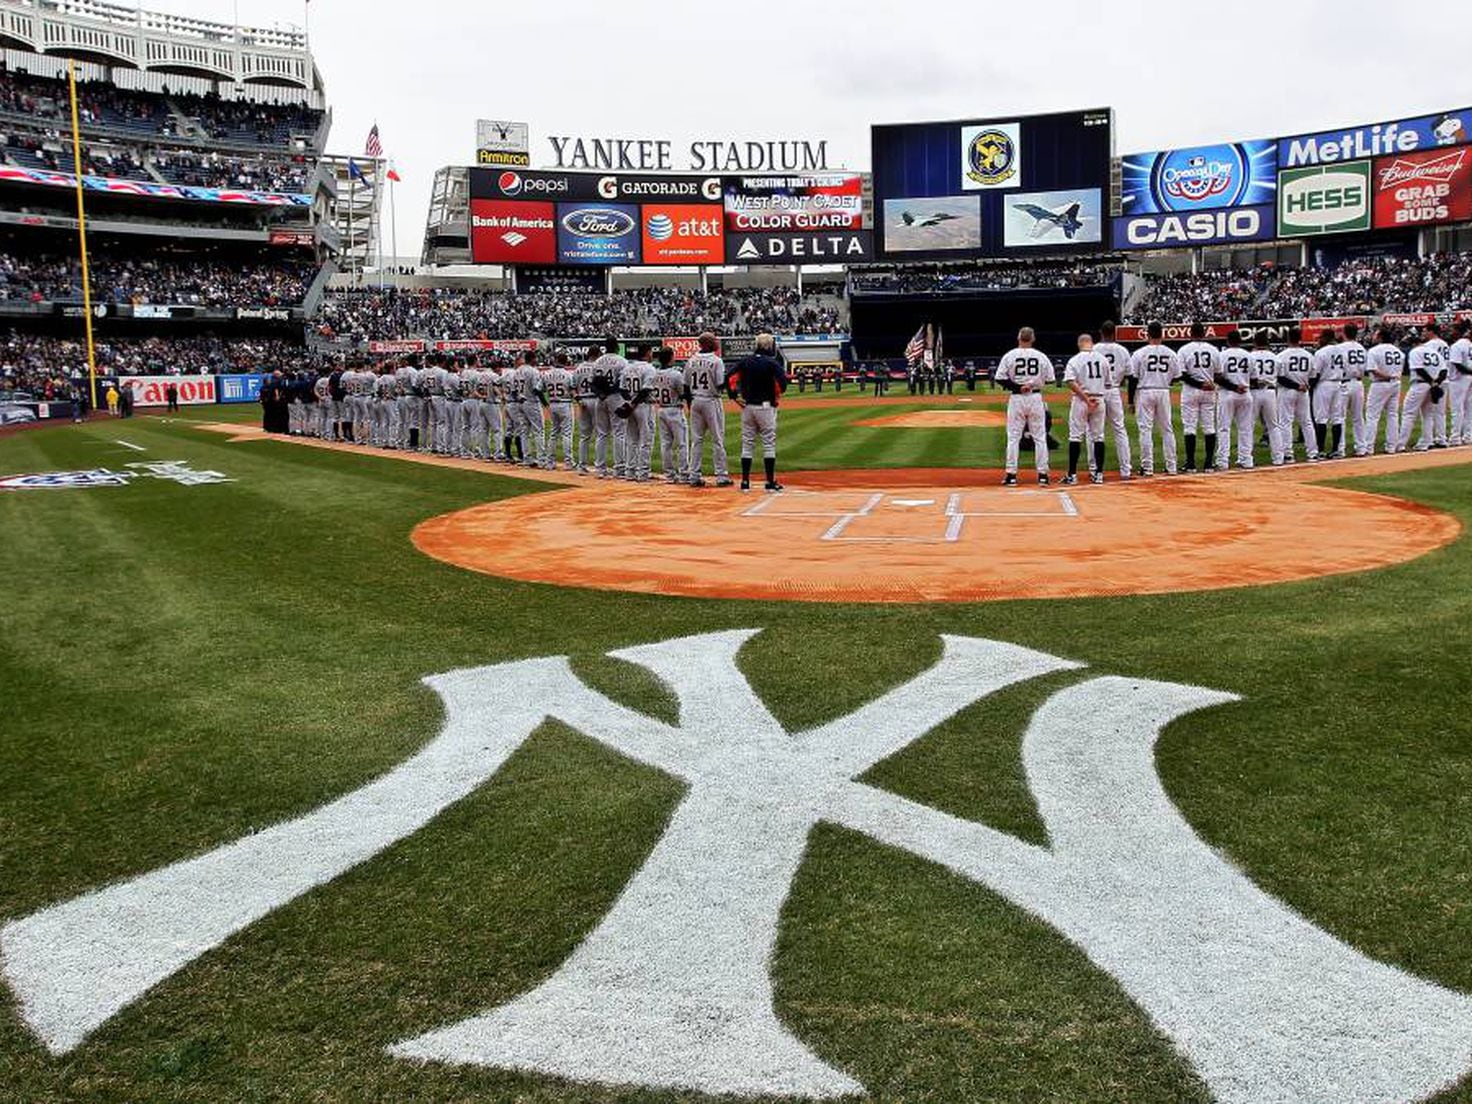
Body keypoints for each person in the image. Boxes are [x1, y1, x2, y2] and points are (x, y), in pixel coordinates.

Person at [728, 332, 788, 492]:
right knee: (768, 443)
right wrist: (777, 391)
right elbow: (783, 383)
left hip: (748, 406)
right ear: (769, 346)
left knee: (747, 443)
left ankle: (745, 482)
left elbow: (729, 376)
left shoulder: (746, 361)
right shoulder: (772, 362)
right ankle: (769, 482)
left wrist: (733, 395)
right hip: (766, 406)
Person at [995, 326, 1055, 486]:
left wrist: (1018, 386)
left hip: (1017, 398)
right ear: (1033, 339)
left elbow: (999, 378)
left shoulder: (1010, 355)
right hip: (1035, 397)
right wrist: (1033, 381)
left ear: (1019, 338)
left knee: (1013, 437)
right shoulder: (1041, 356)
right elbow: (1051, 379)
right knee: (1040, 437)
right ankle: (1043, 475)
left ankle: (1011, 475)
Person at [1129, 322, 1180, 477]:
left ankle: (1148, 467)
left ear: (1148, 334)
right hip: (1163, 391)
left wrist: (1131, 400)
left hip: (1145, 391)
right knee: (1167, 429)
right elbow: (1176, 377)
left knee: (1145, 429)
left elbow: (1133, 378)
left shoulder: (1139, 353)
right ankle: (1172, 467)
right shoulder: (1171, 353)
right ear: (1162, 334)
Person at [685, 333, 731, 487]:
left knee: (696, 440)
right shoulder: (716, 361)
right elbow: (719, 384)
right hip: (711, 400)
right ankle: (721, 475)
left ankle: (694, 475)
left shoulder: (691, 360)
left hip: (696, 399)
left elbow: (686, 385)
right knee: (717, 439)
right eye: (714, 340)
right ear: (708, 343)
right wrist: (729, 379)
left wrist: (690, 404)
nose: (717, 342)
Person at [1062, 333, 1107, 485]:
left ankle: (1072, 475)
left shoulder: (1075, 359)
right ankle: (1099, 474)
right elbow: (1108, 383)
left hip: (1082, 400)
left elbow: (1070, 381)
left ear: (1079, 344)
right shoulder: (1102, 359)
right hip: (1099, 399)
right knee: (1098, 437)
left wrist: (1086, 399)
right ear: (1092, 343)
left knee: (1075, 436)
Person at [1397, 324, 1448, 453]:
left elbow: (1419, 369)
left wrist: (1431, 382)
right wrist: (1436, 383)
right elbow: (1443, 371)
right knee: (1428, 415)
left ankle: (1401, 444)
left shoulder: (1415, 352)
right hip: (1433, 384)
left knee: (1408, 414)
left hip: (1420, 384)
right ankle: (1426, 442)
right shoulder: (1434, 352)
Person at [1092, 322, 1134, 480]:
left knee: (1094, 432)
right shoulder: (1122, 350)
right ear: (1115, 333)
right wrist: (1130, 400)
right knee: (1119, 429)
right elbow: (1131, 376)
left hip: (1097, 391)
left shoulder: (1094, 349)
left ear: (1100, 332)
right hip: (1114, 390)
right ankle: (1126, 470)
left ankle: (1094, 469)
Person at [1176, 322, 1220, 473]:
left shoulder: (1184, 350)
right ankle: (1208, 463)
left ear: (1190, 333)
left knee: (1190, 427)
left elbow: (1181, 374)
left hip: (1190, 390)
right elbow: (1218, 374)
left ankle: (1191, 464)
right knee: (1209, 426)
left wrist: (1199, 384)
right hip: (1209, 389)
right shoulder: (1213, 350)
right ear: (1204, 333)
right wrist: (1208, 383)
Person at [1275, 327, 1318, 463]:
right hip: (1303, 391)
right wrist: (1305, 385)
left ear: (1288, 338)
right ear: (1300, 338)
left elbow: (1280, 378)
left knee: (1286, 422)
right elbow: (1314, 375)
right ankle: (1312, 453)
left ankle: (1288, 454)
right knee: (1306, 422)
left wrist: (1296, 385)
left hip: (1287, 391)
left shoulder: (1281, 355)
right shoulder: (1308, 355)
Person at [1214, 331, 1253, 470]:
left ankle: (1223, 461)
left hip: (1227, 394)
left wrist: (1234, 386)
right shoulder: (1248, 355)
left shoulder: (1222, 355)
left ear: (1228, 341)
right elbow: (1253, 378)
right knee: (1245, 428)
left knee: (1224, 428)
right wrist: (1242, 385)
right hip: (1245, 393)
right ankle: (1246, 459)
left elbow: (1217, 377)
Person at [1364, 325, 1405, 455]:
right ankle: (1391, 446)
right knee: (1393, 415)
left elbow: (1373, 370)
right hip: (1395, 383)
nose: (1373, 336)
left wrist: (1386, 376)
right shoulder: (1399, 351)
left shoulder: (1374, 351)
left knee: (1372, 416)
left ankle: (1368, 447)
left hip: (1380, 384)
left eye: (1376, 334)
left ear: (1381, 337)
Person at [1247, 331, 1285, 467]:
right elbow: (1280, 376)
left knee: (1248, 425)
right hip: (1270, 391)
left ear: (1255, 342)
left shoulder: (1250, 356)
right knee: (1274, 426)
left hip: (1254, 391)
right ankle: (1278, 458)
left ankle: (1247, 459)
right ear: (1268, 343)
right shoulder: (1276, 358)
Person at [651, 347, 688, 483]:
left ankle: (669, 474)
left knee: (665, 444)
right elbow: (682, 393)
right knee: (682, 443)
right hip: (674, 409)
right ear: (670, 357)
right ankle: (684, 473)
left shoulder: (654, 373)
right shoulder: (675, 374)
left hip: (661, 409)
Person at [1338, 323, 1369, 457]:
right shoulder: (1362, 348)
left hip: (1343, 383)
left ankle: (1340, 448)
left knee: (1340, 417)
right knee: (1358, 417)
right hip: (1358, 383)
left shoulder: (1338, 348)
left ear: (1344, 332)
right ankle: (1361, 447)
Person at [1447, 319, 1472, 446]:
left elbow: (1457, 364)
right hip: (1469, 378)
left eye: (1453, 329)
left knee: (1457, 409)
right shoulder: (1470, 344)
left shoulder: (1457, 345)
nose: (1451, 331)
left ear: (1458, 331)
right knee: (1469, 408)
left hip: (1459, 379)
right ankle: (1468, 436)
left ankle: (1455, 437)